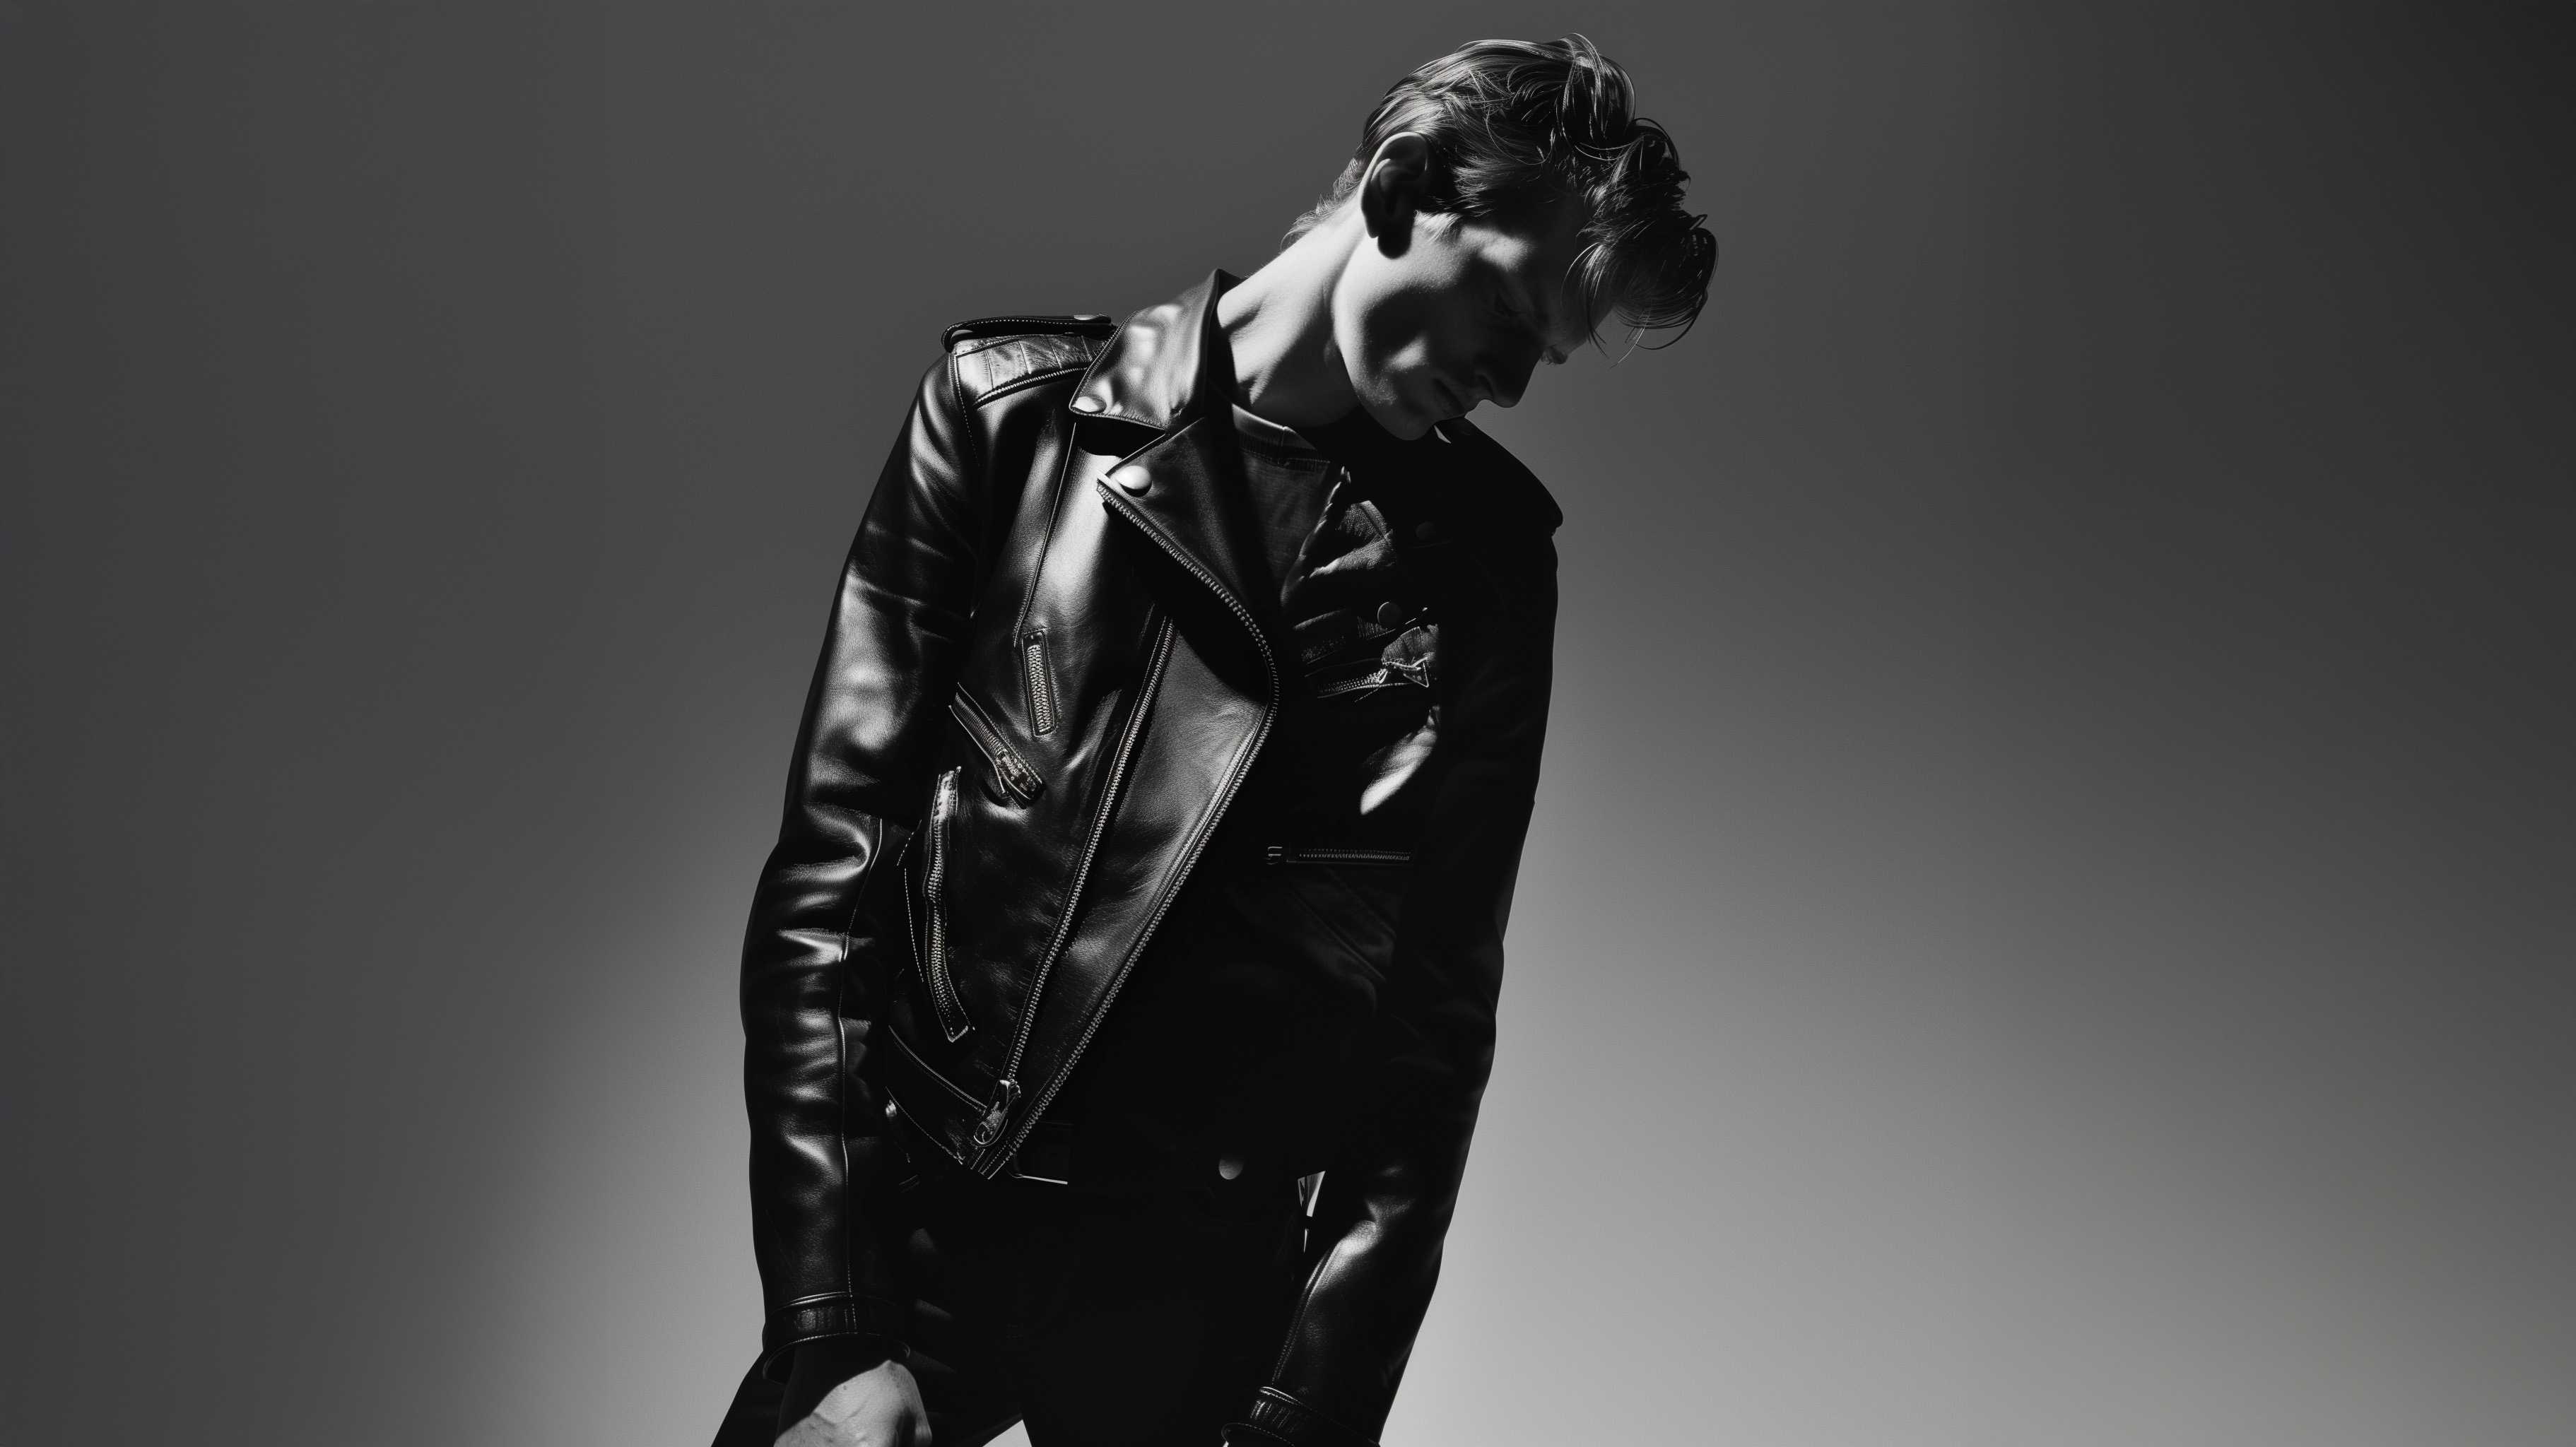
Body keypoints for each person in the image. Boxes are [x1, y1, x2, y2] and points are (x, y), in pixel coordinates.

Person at [712, 35, 1715, 1447]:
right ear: (1402, 191)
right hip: (921, 1238)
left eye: (1541, 356)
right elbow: (833, 877)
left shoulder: (1483, 570)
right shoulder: (1009, 418)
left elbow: (1431, 1039)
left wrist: (1304, 1418)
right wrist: (834, 1328)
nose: (1507, 384)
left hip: (1198, 1303)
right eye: (1505, 310)